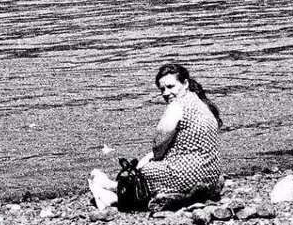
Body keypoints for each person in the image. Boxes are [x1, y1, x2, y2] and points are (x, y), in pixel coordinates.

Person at [89, 63, 224, 211]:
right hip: (210, 176)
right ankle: (112, 187)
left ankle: (113, 194)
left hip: (188, 177)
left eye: (170, 87)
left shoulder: (177, 106)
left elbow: (158, 148)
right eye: (162, 89)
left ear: (185, 84)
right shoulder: (201, 104)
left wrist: (145, 164)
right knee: (147, 165)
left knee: (142, 172)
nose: (166, 93)